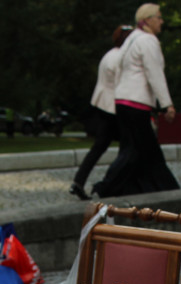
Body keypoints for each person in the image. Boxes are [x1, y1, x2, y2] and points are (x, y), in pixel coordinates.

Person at [91, 3, 179, 198]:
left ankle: (141, 188)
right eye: (158, 17)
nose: (161, 21)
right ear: (147, 20)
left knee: (138, 149)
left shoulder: (131, 39)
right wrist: (166, 105)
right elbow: (155, 74)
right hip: (136, 103)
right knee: (136, 150)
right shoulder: (148, 41)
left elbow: (118, 67)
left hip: (123, 101)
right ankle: (106, 187)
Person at [70, 24, 133, 201]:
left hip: (104, 104)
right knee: (127, 147)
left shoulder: (109, 55)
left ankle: (79, 180)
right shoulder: (120, 58)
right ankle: (112, 183)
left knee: (100, 146)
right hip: (115, 106)